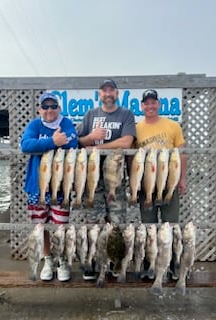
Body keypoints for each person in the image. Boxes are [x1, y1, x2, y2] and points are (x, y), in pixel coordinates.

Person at [77, 79, 136, 279]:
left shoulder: (126, 114)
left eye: (111, 90)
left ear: (117, 93)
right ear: (99, 94)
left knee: (117, 222)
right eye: (104, 90)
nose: (108, 93)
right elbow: (79, 141)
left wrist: (97, 147)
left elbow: (127, 141)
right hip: (92, 177)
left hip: (115, 176)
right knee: (93, 221)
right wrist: (91, 137)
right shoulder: (90, 115)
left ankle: (115, 263)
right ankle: (93, 262)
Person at [21, 92, 77, 282]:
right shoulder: (35, 125)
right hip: (37, 187)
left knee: (61, 226)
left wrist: (42, 145)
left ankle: (61, 259)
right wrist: (52, 142)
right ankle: (48, 260)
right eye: (45, 106)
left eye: (53, 106)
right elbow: (26, 145)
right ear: (39, 109)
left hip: (61, 187)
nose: (49, 110)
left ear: (59, 109)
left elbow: (73, 142)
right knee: (41, 226)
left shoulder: (66, 122)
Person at [136, 89, 186, 224]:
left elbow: (181, 154)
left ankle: (169, 246)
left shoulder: (173, 126)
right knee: (147, 224)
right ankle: (149, 245)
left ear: (159, 104)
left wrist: (182, 179)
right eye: (146, 103)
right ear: (141, 106)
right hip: (147, 180)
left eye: (153, 102)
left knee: (170, 223)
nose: (150, 106)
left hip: (169, 178)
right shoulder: (136, 129)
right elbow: (133, 160)